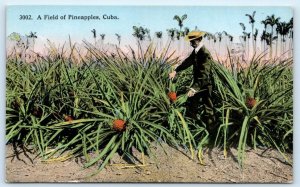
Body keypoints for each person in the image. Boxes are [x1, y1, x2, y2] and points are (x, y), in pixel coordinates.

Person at [169, 30, 215, 127]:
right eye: (190, 41)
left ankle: (211, 132)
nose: (191, 44)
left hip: (206, 85)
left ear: (199, 39)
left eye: (193, 41)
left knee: (208, 108)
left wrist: (194, 89)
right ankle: (194, 126)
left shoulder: (205, 53)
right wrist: (176, 71)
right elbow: (187, 62)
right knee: (192, 104)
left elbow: (204, 74)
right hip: (198, 84)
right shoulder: (196, 51)